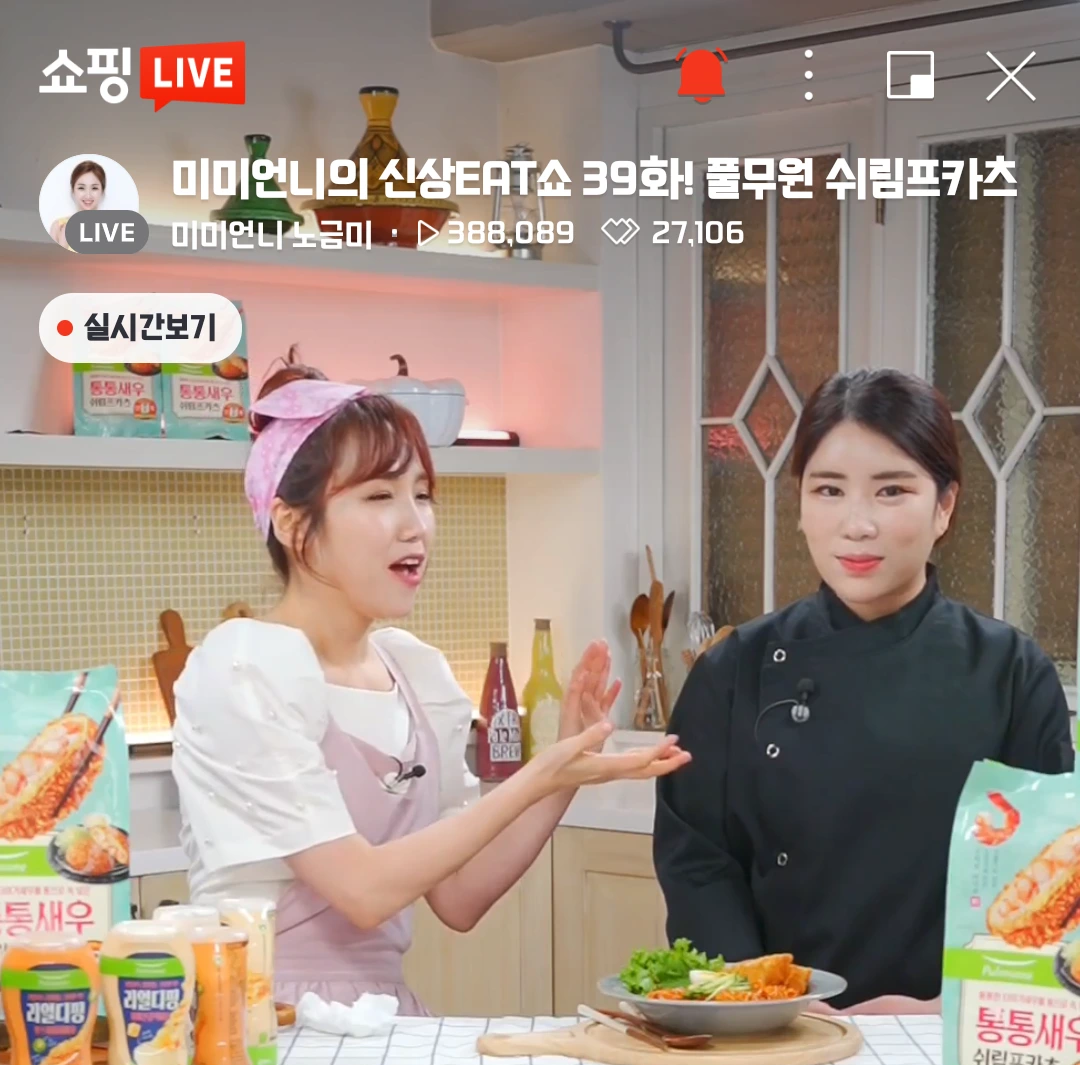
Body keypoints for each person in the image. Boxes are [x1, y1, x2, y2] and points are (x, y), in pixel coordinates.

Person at [173, 356, 689, 1009]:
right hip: (259, 1024)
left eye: (422, 494)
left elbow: (461, 896)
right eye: (379, 496)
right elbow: (362, 891)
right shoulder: (246, 666)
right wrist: (541, 773)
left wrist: (566, 769)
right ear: (293, 524)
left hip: (382, 1020)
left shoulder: (413, 673)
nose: (415, 524)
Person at [654, 368, 1073, 1013]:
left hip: (948, 1032)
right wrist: (764, 1002)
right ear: (800, 506)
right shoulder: (732, 671)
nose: (857, 524)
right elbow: (697, 865)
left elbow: (1047, 879)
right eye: (828, 489)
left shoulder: (1011, 673)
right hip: (771, 1028)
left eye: (892, 491)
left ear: (944, 506)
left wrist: (942, 1009)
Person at [50, 160, 105, 248]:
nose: (88, 195)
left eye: (94, 188)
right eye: (81, 188)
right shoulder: (58, 227)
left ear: (102, 191)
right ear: (73, 191)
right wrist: (63, 245)